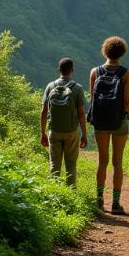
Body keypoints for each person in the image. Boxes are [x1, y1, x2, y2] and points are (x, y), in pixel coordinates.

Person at [88, 36, 129, 214]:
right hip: (119, 120)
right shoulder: (125, 73)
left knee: (102, 161)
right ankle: (115, 203)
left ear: (104, 50)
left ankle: (99, 201)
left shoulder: (95, 72)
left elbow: (92, 98)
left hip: (100, 121)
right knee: (117, 162)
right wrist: (127, 113)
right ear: (122, 52)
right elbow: (126, 100)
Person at [40, 57, 88, 186]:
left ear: (58, 70)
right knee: (71, 163)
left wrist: (43, 132)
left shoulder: (50, 86)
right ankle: (71, 191)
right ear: (72, 70)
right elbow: (81, 113)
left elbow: (44, 111)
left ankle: (55, 193)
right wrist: (84, 133)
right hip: (71, 131)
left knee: (54, 163)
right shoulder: (77, 88)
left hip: (54, 130)